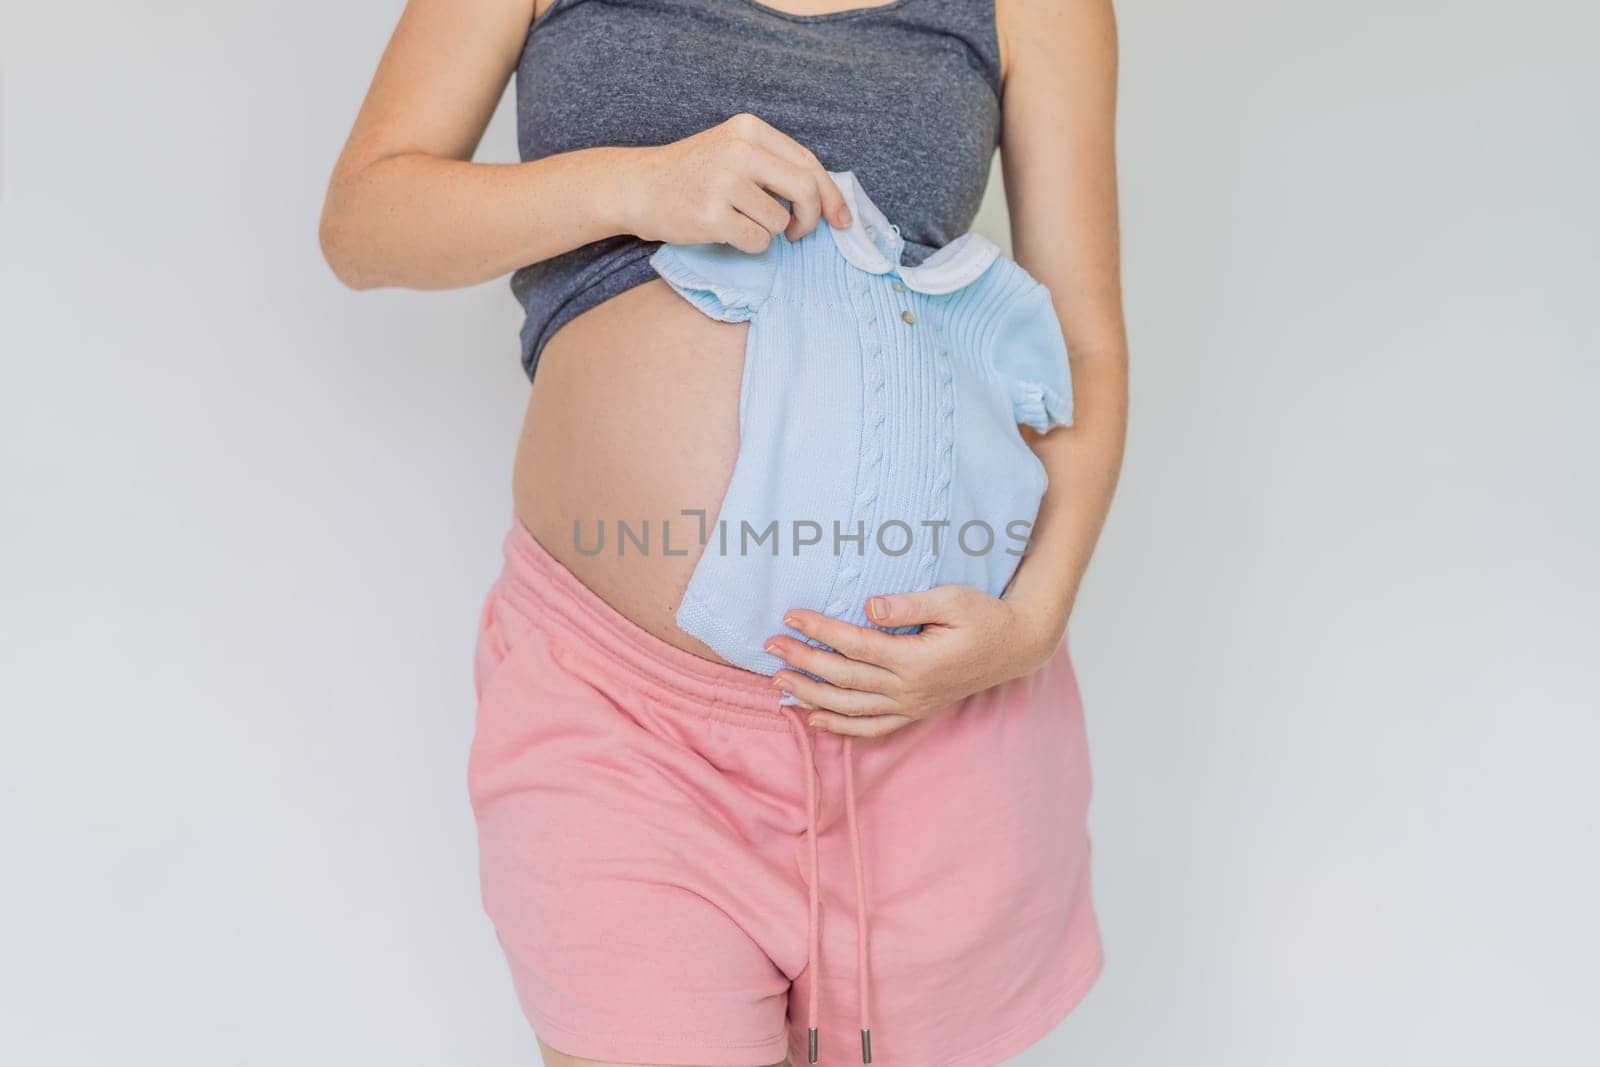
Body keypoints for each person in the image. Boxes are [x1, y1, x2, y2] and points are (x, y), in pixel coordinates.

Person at [320, 1, 1127, 1064]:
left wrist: (1028, 623)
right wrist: (635, 183)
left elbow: (1081, 343)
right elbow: (365, 223)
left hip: (926, 719)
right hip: (623, 717)